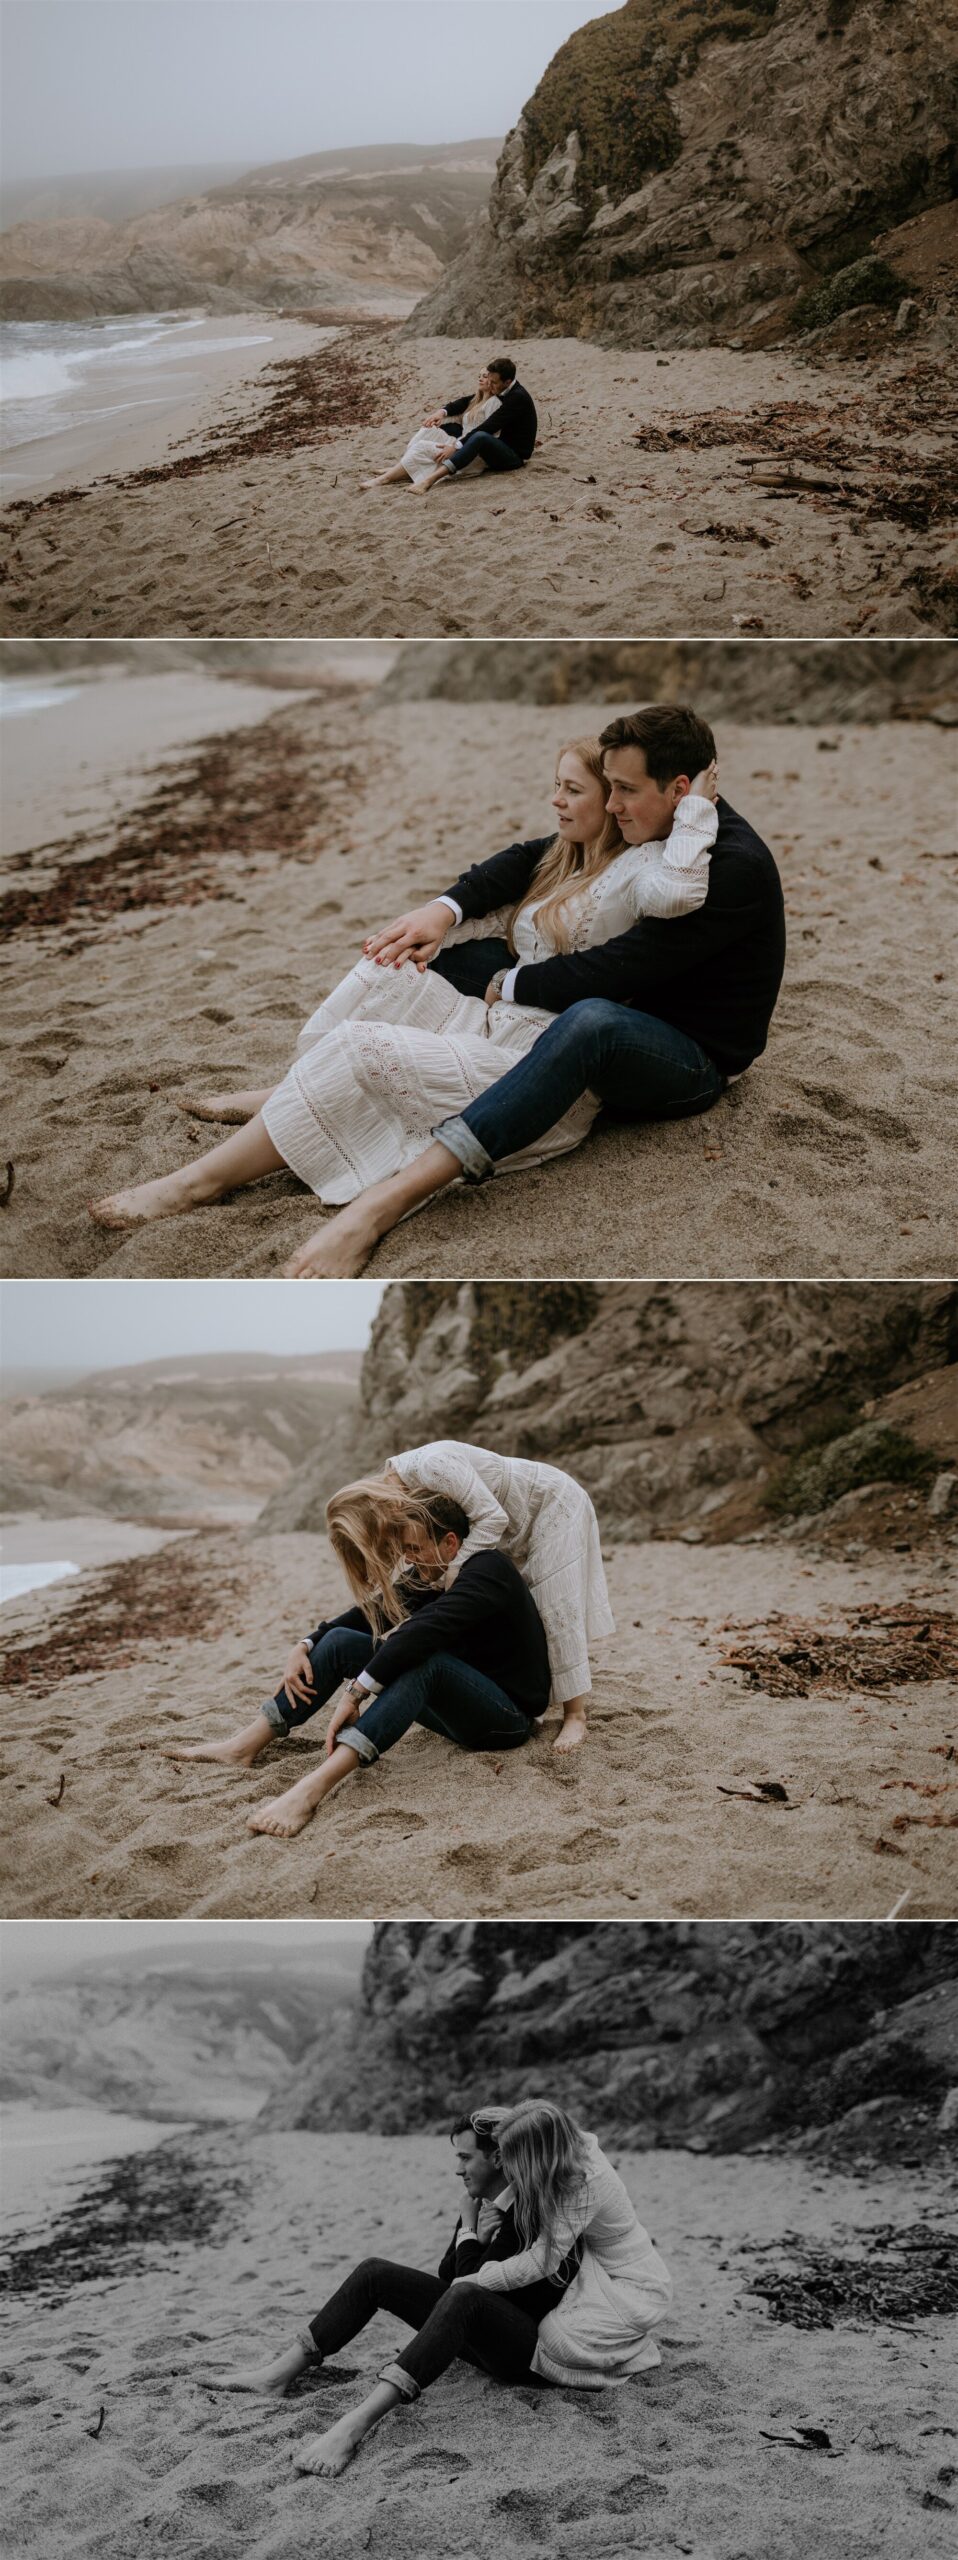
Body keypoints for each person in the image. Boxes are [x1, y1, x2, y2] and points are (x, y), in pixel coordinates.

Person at [89, 730, 718, 1255]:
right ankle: (288, 1091)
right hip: (496, 1023)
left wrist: (695, 807)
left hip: (541, 1066)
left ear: (613, 801)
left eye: (572, 790)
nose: (555, 800)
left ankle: (195, 1185)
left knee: (364, 1048)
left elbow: (678, 892)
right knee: (392, 971)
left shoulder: (642, 868)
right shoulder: (564, 858)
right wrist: (435, 922)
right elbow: (500, 902)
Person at [268, 702, 785, 1278]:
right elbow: (533, 857)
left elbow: (624, 969)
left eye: (623, 790)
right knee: (459, 955)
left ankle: (383, 1205)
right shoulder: (662, 824)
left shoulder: (728, 865)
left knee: (588, 1019)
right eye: (607, 788)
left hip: (688, 1056)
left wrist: (509, 985)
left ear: (680, 789)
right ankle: (312, 1079)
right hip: (624, 1006)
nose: (611, 805)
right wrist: (443, 910)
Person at [200, 2112, 582, 2480]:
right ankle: (277, 2375)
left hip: (523, 2351)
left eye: (465, 2157)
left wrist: (469, 2232)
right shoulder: (483, 2201)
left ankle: (353, 2427)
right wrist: (474, 2232)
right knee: (375, 2273)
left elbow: (469, 2282)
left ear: (498, 2157)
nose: (458, 2169)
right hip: (478, 2326)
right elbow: (448, 2272)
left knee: (464, 2295)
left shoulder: (531, 2210)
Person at [161, 1486, 551, 1837]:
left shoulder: (487, 1571)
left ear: (451, 1542)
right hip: (461, 1703)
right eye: (405, 1551)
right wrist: (306, 1642)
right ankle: (244, 1746)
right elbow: (372, 1614)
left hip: (505, 1719)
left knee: (422, 1659)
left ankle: (311, 1790)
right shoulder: (433, 1571)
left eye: (415, 1548)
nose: (408, 1559)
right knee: (343, 1641)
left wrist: (356, 1692)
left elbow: (425, 1631)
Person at [379, 1438, 615, 1751]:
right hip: (509, 1523)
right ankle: (526, 1698)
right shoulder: (403, 1479)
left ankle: (575, 1715)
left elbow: (492, 1517)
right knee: (524, 1606)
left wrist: (455, 1568)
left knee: (556, 1605)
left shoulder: (430, 1465)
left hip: (551, 1502)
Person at [408, 356, 538, 494]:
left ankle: (429, 480)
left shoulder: (517, 397)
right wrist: (442, 412)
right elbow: (467, 401)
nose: (490, 385)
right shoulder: (502, 389)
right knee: (452, 428)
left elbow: (489, 426)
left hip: (514, 456)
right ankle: (409, 464)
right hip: (499, 444)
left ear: (507, 382)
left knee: (480, 436)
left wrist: (456, 446)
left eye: (493, 382)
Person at [359, 367, 503, 492]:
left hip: (470, 451)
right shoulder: (475, 400)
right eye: (479, 376)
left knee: (423, 447)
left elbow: (486, 433)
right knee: (428, 431)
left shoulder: (493, 403)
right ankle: (400, 465)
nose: (480, 379)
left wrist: (455, 446)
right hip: (462, 441)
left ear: (493, 380)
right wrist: (440, 415)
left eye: (485, 376)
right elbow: (457, 406)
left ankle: (383, 479)